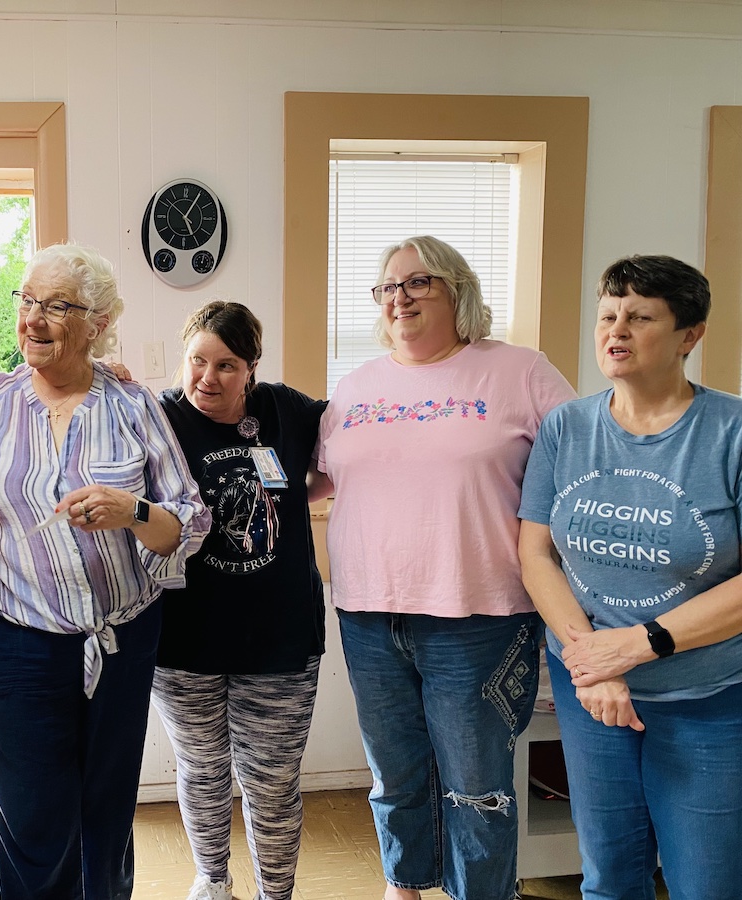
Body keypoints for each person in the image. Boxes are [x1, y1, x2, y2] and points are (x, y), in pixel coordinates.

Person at [316, 235, 576, 900]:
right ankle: (403, 887)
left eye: (418, 282)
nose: (399, 297)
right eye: (388, 287)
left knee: (476, 788)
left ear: (457, 290)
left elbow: (584, 460)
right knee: (395, 776)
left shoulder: (517, 370)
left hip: (479, 616)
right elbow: (315, 481)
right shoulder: (356, 385)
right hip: (369, 613)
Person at [0, 243, 210, 900]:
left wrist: (134, 510)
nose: (33, 319)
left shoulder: (133, 405)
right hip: (14, 639)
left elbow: (187, 519)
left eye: (57, 307)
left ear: (97, 323)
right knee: (32, 814)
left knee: (105, 811)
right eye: (28, 301)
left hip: (120, 639)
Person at [518, 255, 742, 900]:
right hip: (593, 691)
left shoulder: (729, 431)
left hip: (708, 696)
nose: (617, 329)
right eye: (609, 315)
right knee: (611, 877)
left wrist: (641, 643)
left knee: (707, 882)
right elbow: (536, 554)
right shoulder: (567, 427)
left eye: (641, 317)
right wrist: (594, 660)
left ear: (689, 335)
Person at [150, 300, 331, 900]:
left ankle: (276, 893)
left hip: (277, 637)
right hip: (184, 637)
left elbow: (350, 448)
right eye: (197, 361)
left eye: (226, 365)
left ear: (251, 367)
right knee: (202, 772)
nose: (208, 378)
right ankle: (213, 882)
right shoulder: (158, 416)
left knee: (273, 780)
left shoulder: (287, 410)